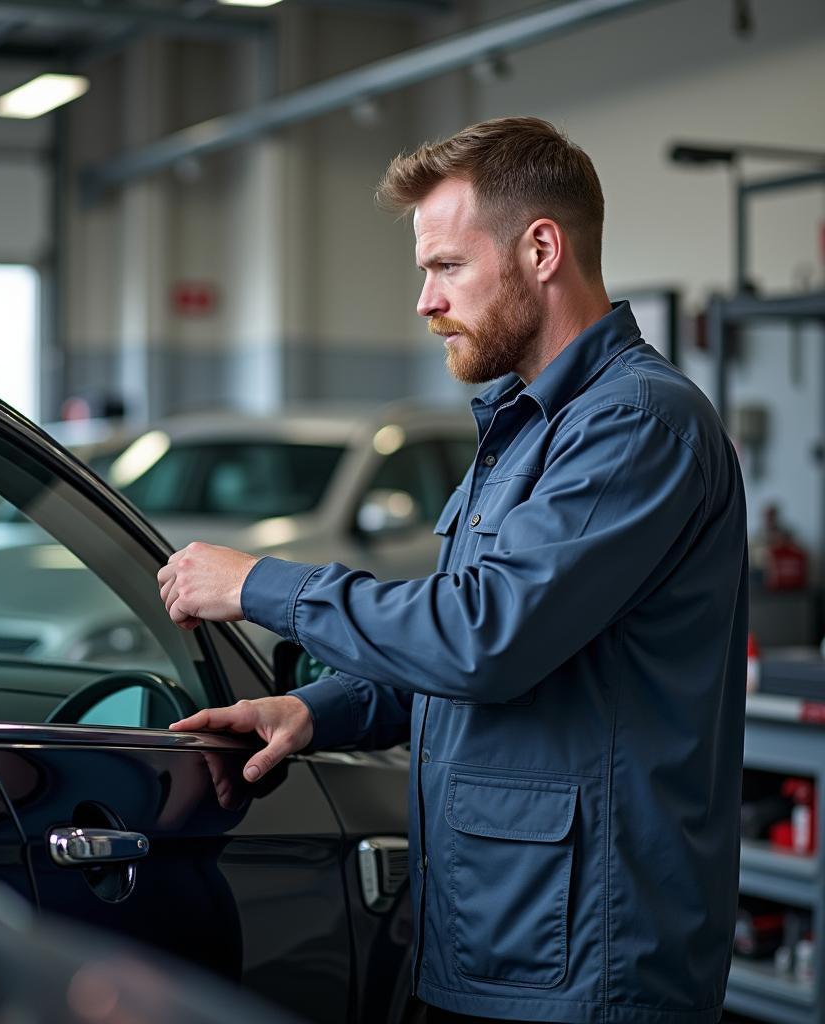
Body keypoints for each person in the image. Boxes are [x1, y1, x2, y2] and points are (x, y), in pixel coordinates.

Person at [156, 117, 748, 1024]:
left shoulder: (636, 426)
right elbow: (462, 652)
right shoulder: (522, 428)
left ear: (541, 249)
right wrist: (316, 710)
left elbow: (486, 635)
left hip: (587, 966)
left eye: (446, 267)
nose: (426, 300)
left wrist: (259, 585)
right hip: (498, 936)